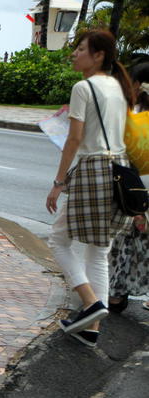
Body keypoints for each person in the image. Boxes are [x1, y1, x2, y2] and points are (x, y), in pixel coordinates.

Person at [46, 30, 135, 347]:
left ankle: (90, 302)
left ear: (98, 55)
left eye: (80, 49)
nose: (74, 54)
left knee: (58, 239)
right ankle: (91, 327)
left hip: (92, 171)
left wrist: (58, 183)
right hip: (119, 168)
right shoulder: (116, 86)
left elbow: (74, 139)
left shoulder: (83, 87)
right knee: (99, 252)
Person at [108, 62, 149, 313]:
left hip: (135, 188)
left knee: (124, 243)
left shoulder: (130, 113)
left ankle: (116, 294)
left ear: (135, 84)